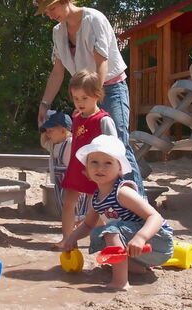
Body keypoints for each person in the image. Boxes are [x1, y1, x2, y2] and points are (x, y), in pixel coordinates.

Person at [33, 0, 146, 199]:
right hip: (84, 96)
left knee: (118, 145)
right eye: (46, 11)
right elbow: (57, 72)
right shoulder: (57, 31)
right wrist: (44, 103)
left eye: (52, 8)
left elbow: (101, 62)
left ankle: (139, 209)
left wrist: (94, 98)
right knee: (91, 149)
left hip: (110, 88)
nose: (49, 14)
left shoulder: (93, 19)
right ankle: (107, 206)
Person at [60, 135, 174, 290]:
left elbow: (155, 217)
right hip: (140, 251)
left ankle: (120, 282)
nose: (100, 168)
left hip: (157, 242)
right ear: (86, 168)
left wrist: (141, 238)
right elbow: (87, 225)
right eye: (94, 162)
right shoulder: (96, 197)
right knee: (99, 235)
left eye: (108, 163)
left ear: (120, 168)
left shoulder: (122, 192)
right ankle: (138, 269)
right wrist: (71, 237)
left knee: (111, 231)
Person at [57, 70, 119, 250]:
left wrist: (107, 171)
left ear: (97, 95)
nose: (80, 102)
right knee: (68, 202)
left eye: (84, 98)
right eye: (76, 98)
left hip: (97, 169)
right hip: (77, 167)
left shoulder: (103, 120)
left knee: (96, 207)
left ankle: (98, 241)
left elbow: (114, 146)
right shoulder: (76, 116)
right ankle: (68, 239)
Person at [39, 111, 90, 249]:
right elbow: (43, 142)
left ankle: (69, 238)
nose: (48, 134)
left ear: (63, 130)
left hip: (73, 182)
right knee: (68, 210)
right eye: (47, 131)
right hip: (61, 183)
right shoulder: (54, 144)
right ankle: (71, 238)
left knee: (74, 210)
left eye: (50, 131)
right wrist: (44, 130)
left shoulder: (70, 143)